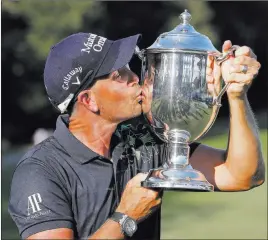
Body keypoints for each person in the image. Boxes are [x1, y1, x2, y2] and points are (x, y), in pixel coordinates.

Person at [8, 32, 265, 240]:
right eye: (119, 75)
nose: (135, 78)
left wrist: (236, 94)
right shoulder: (40, 171)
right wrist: (125, 217)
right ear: (89, 100)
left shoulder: (144, 139)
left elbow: (243, 175)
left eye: (130, 68)